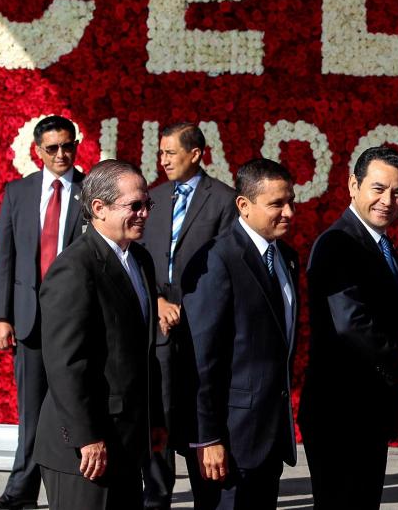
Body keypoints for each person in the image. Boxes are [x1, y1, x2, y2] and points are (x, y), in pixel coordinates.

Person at [33, 160, 166, 509]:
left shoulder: (140, 260)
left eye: (146, 205)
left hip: (127, 440)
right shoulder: (75, 267)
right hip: (85, 450)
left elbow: (143, 351)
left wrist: (154, 420)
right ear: (98, 208)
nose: (143, 214)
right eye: (133, 206)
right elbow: (66, 364)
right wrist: (87, 437)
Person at [299, 146, 398, 509]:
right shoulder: (338, 243)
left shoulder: (381, 243)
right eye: (378, 188)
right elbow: (351, 323)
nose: (388, 200)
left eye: (397, 192)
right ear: (353, 185)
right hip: (340, 412)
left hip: (368, 410)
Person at [181, 158, 299, 510]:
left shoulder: (285, 257)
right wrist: (208, 437)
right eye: (277, 204)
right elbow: (201, 358)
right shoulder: (217, 259)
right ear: (244, 206)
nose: (289, 212)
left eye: (290, 200)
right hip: (229, 442)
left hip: (269, 436)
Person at [0, 115, 85, 510]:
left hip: (75, 319)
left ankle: (77, 487)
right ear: (37, 150)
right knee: (31, 410)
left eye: (68, 146)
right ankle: (20, 491)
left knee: (76, 404)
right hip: (29, 320)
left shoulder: (90, 189)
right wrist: (1, 316)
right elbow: (4, 257)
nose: (62, 154)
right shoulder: (18, 192)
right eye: (53, 148)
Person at [140, 122, 237, 509]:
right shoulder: (152, 197)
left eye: (170, 153)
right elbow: (139, 256)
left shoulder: (225, 200)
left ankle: (207, 495)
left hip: (201, 321)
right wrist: (157, 302)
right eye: (160, 153)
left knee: (199, 407)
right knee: (160, 411)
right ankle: (157, 496)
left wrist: (191, 307)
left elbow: (227, 264)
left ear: (195, 154)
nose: (163, 160)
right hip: (159, 320)